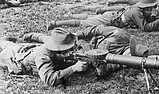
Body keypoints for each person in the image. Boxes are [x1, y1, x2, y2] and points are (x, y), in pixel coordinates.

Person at [23, 25, 151, 78]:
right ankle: (31, 35)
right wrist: (77, 35)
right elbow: (96, 29)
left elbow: (106, 70)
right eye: (130, 54)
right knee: (49, 41)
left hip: (83, 50)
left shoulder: (120, 59)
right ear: (129, 47)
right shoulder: (119, 34)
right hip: (87, 44)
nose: (127, 56)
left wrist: (99, 67)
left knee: (53, 46)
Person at [0, 28, 88, 86]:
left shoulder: (53, 40)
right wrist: (73, 68)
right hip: (13, 60)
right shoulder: (43, 57)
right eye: (67, 47)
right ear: (59, 47)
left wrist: (27, 36)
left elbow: (40, 37)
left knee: (10, 45)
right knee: (8, 48)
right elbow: (49, 79)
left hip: (25, 50)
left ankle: (5, 41)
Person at [47, 0, 159, 32]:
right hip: (111, 20)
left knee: (91, 17)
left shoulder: (140, 8)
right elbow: (145, 28)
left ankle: (71, 15)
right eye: (152, 7)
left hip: (114, 16)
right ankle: (56, 23)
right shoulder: (137, 12)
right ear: (146, 7)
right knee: (84, 23)